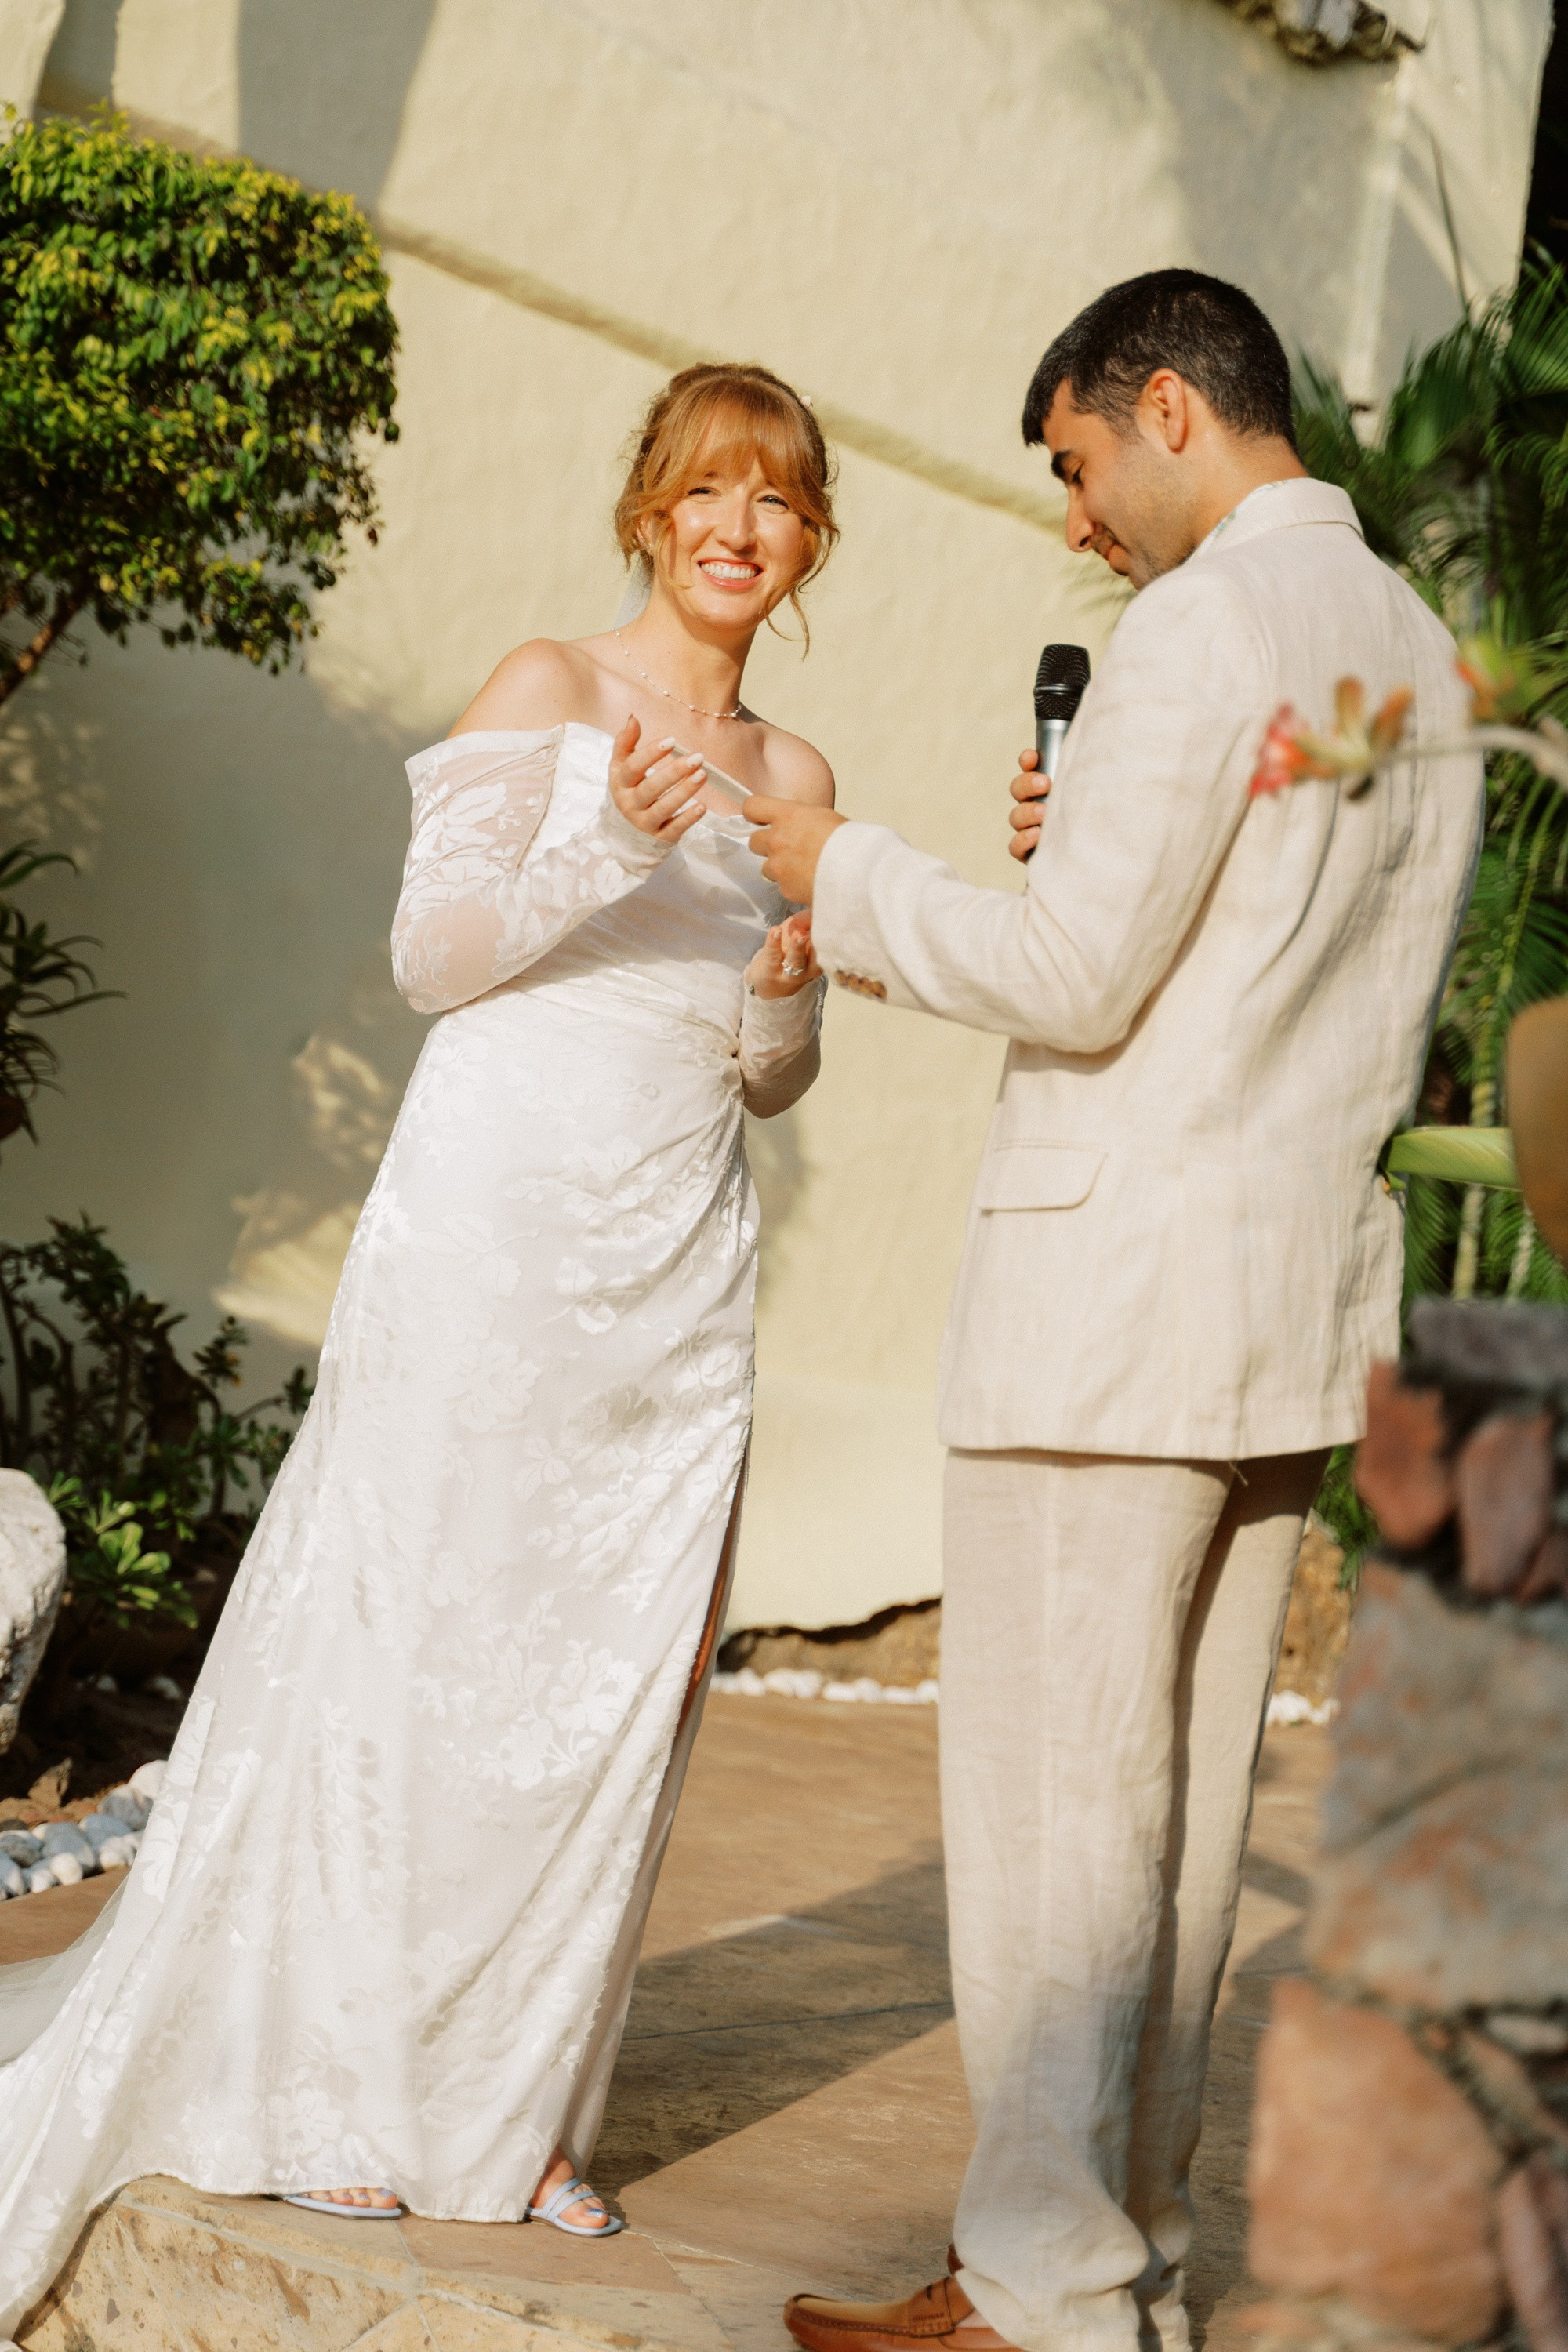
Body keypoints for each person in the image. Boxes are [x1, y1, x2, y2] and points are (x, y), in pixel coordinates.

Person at [0, 359, 835, 2335]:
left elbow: (771, 1079)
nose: (737, 529)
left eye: (778, 504)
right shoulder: (548, 685)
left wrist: (788, 990)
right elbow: (434, 960)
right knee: (421, 1638)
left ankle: (516, 2105)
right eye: (708, 492)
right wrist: (607, 846)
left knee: (607, 1685)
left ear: (807, 548)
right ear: (648, 511)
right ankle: (340, 2075)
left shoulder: (800, 783)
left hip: (676, 1271)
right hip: (490, 1234)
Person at [748, 271, 1484, 2352]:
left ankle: (1048, 2291)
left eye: (1078, 465)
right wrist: (1081, 866)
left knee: (1066, 1815)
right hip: (1276, 1312)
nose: (1080, 521)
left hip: (1111, 1302)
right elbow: (1259, 953)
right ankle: (1104, 2256)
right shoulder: (1415, 647)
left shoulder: (1204, 629)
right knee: (1164, 1822)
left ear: (1168, 407)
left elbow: (1077, 982)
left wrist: (849, 869)